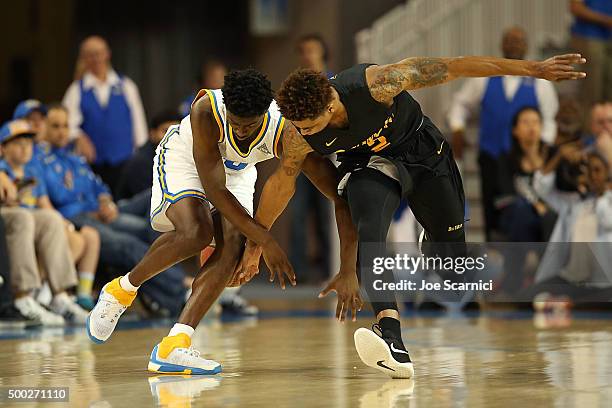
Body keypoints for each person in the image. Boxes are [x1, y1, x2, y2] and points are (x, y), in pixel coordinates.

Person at [271, 52, 586, 378]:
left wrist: (534, 69)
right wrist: (257, 241)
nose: (302, 132)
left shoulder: (377, 84)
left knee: (451, 267)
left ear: (329, 107)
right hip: (370, 165)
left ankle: (434, 243)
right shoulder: (298, 135)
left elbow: (455, 66)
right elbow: (281, 184)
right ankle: (391, 337)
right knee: (370, 230)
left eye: (308, 126)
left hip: (424, 155)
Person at [86, 69, 358, 375]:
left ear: (264, 114)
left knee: (234, 244)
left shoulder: (287, 131)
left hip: (239, 173)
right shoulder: (206, 110)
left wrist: (348, 265)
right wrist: (265, 240)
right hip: (186, 159)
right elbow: (214, 190)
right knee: (196, 232)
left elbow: (337, 196)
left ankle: (174, 344)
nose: (241, 131)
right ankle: (121, 290)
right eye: (235, 123)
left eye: (250, 125)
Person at [39, 105, 186, 315]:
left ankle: (172, 292)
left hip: (100, 214)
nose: (62, 131)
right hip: (76, 219)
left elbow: (99, 186)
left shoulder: (74, 159)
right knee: (129, 245)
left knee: (150, 223)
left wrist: (105, 201)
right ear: (44, 128)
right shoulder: (40, 160)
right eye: (55, 126)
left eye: (65, 126)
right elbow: (55, 198)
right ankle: (180, 289)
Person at [447, 26, 559, 240]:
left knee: (525, 209)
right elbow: (460, 104)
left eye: (519, 40)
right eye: (510, 40)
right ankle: (494, 253)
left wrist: (541, 151)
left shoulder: (540, 83)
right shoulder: (485, 77)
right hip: (491, 155)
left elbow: (549, 119)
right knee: (490, 208)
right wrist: (457, 127)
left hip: (524, 161)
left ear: (527, 46)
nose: (515, 44)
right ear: (502, 45)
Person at [0, 119, 89, 325]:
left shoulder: (32, 171)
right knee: (22, 217)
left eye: (28, 143)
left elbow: (44, 204)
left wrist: (65, 224)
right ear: (3, 148)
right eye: (17, 143)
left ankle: (60, 295)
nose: (25, 148)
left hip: (27, 218)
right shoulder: (2, 166)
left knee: (51, 218)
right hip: (8, 216)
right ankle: (23, 297)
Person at [62, 35, 148, 194]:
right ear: (83, 58)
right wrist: (79, 136)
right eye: (90, 54)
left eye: (99, 53)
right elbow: (66, 124)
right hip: (92, 167)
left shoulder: (126, 86)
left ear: (107, 54)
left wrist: (140, 156)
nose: (96, 59)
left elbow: (139, 125)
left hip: (124, 163)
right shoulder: (76, 90)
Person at [290, 34, 334, 283]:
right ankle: (297, 270)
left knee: (326, 216)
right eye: (303, 51)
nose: (307, 55)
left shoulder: (333, 82)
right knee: (297, 215)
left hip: (327, 156)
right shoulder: (296, 85)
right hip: (300, 157)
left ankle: (331, 268)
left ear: (322, 53)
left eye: (312, 50)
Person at [116, 111, 182, 200]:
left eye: (177, 131)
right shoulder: (141, 161)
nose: (172, 136)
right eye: (166, 131)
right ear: (152, 134)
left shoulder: (179, 156)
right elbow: (148, 200)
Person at [569, 0, 612, 109]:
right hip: (589, 36)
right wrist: (606, 20)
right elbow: (576, 7)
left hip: (607, 37)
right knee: (592, 91)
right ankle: (588, 125)